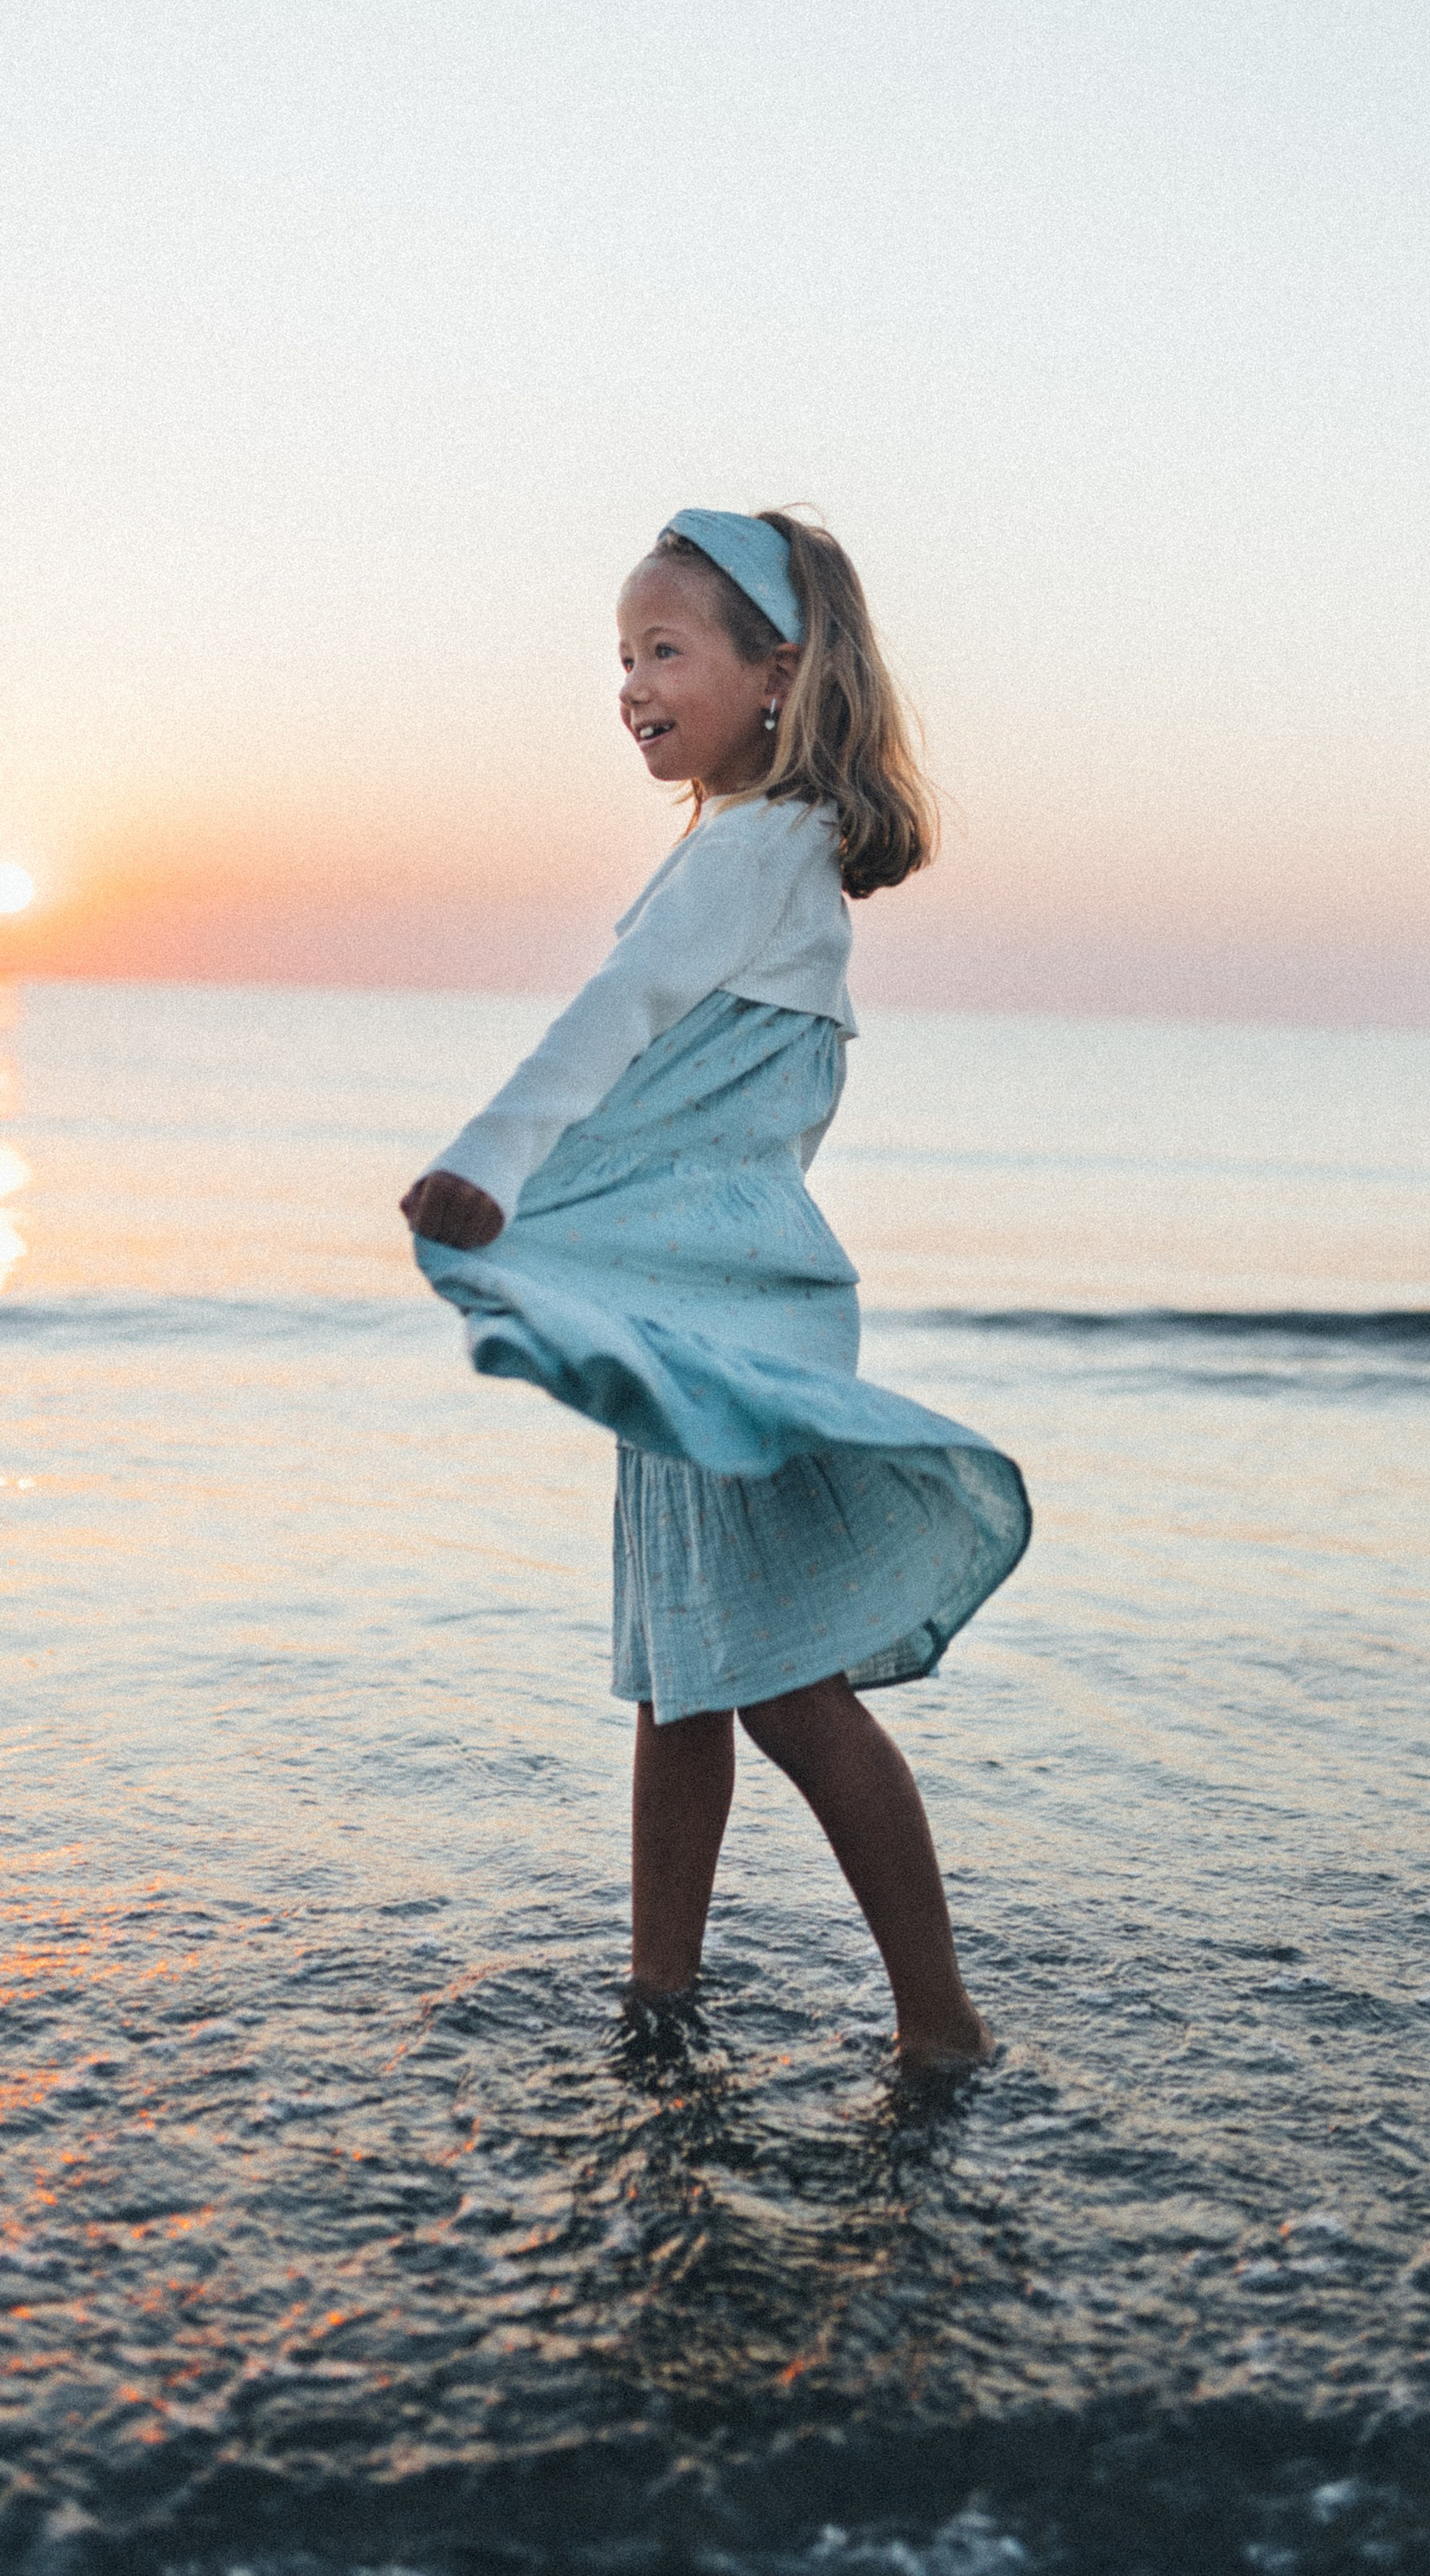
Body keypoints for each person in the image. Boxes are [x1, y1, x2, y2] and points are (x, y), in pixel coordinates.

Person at [401, 507, 1030, 2068]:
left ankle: (942, 2024)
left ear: (777, 672)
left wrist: (491, 1162)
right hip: (706, 1309)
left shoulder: (751, 855)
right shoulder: (765, 850)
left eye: (664, 650)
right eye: (620, 656)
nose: (630, 683)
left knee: (786, 1696)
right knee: (684, 1680)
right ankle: (660, 1984)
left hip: (719, 1317)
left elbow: (618, 1016)